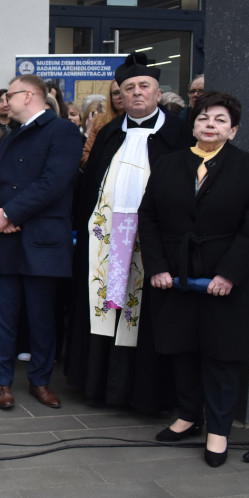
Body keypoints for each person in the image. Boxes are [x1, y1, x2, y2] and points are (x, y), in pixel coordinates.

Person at [139, 91, 249, 467]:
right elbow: (148, 218)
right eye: (203, 118)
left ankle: (219, 429)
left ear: (233, 130)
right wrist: (158, 266)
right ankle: (187, 415)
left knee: (221, 355)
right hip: (176, 274)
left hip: (227, 278)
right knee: (182, 349)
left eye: (219, 120)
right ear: (192, 124)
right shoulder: (168, 164)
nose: (209, 125)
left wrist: (229, 273)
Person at [64, 52, 192, 414]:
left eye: (144, 87)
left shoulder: (179, 134)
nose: (136, 93)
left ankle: (145, 393)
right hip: (107, 238)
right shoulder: (107, 133)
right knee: (106, 305)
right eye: (129, 87)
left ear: (157, 91)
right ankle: (100, 386)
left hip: (151, 242)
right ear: (119, 92)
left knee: (145, 314)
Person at [0, 73, 81, 411]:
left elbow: (54, 182)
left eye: (10, 95)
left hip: (42, 241)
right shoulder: (10, 136)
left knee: (41, 318)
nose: (4, 101)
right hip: (4, 240)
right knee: (3, 317)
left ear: (30, 96)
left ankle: (40, 381)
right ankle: (2, 383)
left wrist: (10, 213)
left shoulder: (63, 131)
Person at [81, 80, 123, 166]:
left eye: (125, 91)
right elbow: (86, 155)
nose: (120, 96)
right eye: (115, 93)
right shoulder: (100, 121)